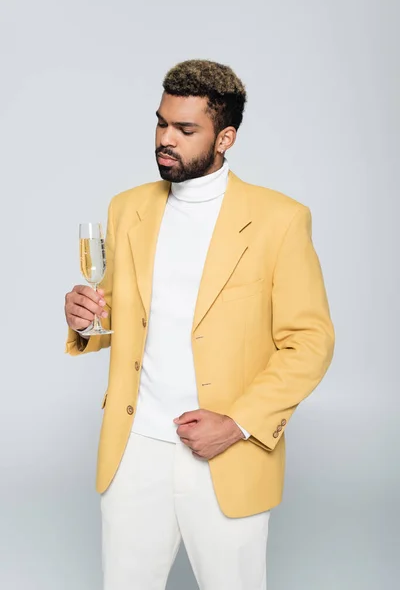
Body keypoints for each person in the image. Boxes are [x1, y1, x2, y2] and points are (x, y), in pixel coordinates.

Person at [64, 59, 335, 590]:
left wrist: (236, 424)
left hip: (223, 451)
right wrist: (85, 321)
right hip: (134, 445)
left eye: (185, 130)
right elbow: (122, 313)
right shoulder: (128, 207)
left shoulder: (281, 219)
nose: (166, 138)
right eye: (162, 122)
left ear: (225, 137)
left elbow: (310, 342)